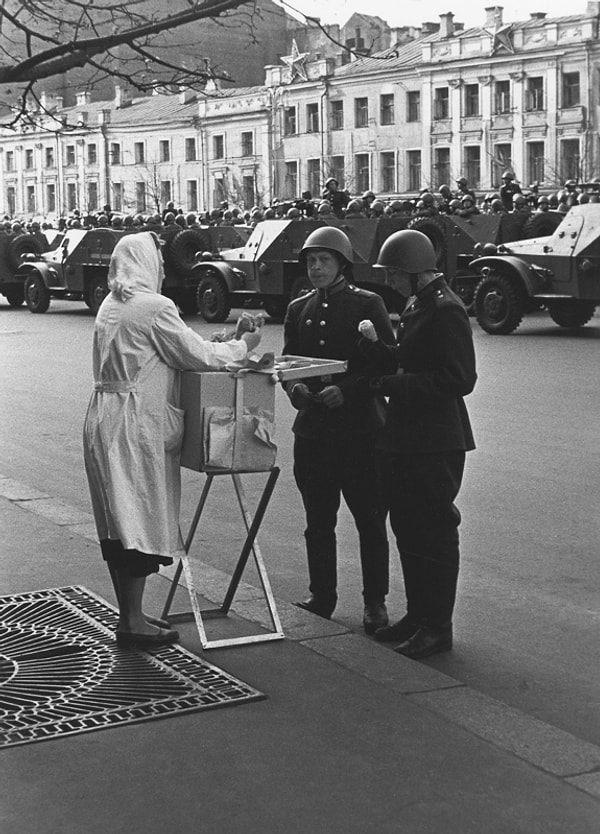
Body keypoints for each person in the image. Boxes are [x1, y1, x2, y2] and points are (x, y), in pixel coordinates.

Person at [83, 233, 261, 649]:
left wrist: (222, 342)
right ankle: (131, 623)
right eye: (158, 260)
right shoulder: (153, 307)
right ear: (146, 263)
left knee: (118, 522)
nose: (163, 267)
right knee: (139, 518)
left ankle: (130, 613)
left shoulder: (113, 303)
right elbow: (197, 356)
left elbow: (174, 349)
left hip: (107, 417)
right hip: (136, 425)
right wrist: (244, 345)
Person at [359, 229, 476, 659]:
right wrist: (381, 354)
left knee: (433, 534)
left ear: (413, 271)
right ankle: (418, 615)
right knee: (408, 530)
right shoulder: (418, 303)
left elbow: (460, 378)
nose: (389, 280)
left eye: (394, 272)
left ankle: (437, 627)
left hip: (435, 440)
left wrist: (396, 384)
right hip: (408, 438)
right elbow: (414, 359)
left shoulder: (446, 310)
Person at [282, 227, 394, 633]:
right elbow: (289, 362)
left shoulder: (368, 304)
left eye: (324, 260)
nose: (316, 268)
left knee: (369, 520)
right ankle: (322, 595)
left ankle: (375, 603)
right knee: (318, 521)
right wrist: (293, 387)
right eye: (311, 261)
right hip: (313, 434)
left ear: (342, 264)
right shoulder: (299, 308)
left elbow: (384, 363)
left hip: (360, 432)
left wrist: (346, 392)